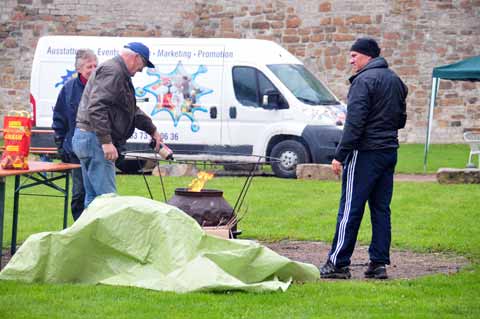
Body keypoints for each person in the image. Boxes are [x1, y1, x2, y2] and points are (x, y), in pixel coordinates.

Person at [320, 38, 408, 280]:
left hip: (365, 152)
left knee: (350, 208)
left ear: (368, 56)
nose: (351, 61)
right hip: (389, 151)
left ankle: (338, 264)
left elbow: (355, 124)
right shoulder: (395, 80)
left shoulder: (363, 81)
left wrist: (340, 155)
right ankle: (378, 264)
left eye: (354, 56)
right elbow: (401, 120)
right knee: (381, 209)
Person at [72, 42, 163, 207]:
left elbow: (130, 110)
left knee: (94, 200)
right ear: (135, 58)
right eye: (142, 65)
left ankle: (91, 233)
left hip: (88, 137)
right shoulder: (113, 72)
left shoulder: (117, 72)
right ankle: (102, 233)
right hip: (94, 140)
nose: (141, 70)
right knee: (108, 202)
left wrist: (153, 130)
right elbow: (97, 106)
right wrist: (106, 142)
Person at [52, 49, 98, 221]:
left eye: (95, 65)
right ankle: (79, 227)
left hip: (99, 148)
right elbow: (59, 118)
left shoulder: (103, 86)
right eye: (89, 66)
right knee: (79, 192)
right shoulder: (69, 89)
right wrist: (60, 144)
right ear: (79, 69)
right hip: (75, 151)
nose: (93, 69)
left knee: (99, 194)